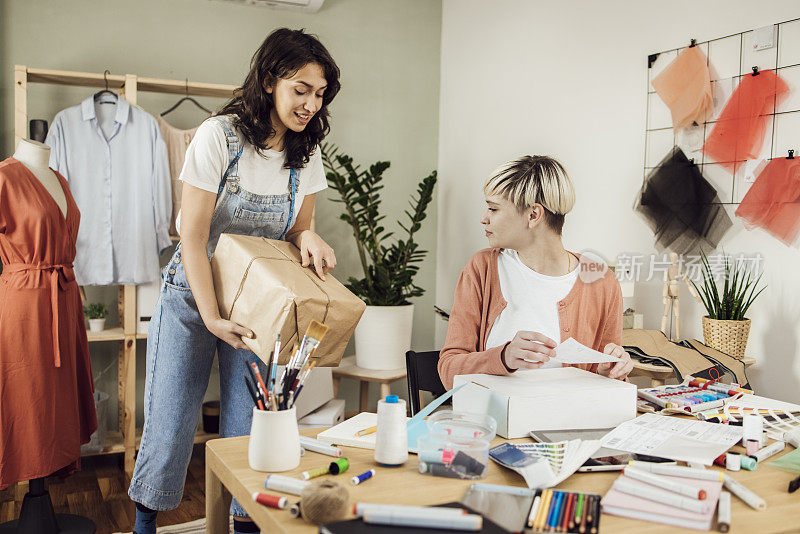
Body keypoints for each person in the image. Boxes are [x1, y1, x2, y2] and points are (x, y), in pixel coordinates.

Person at [128, 28, 340, 534]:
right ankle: (144, 522)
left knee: (251, 424)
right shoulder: (219, 136)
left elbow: (296, 227)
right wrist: (210, 315)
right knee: (172, 418)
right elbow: (192, 234)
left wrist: (309, 237)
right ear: (269, 81)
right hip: (192, 294)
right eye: (300, 89)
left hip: (257, 304)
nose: (310, 103)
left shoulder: (305, 153)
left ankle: (244, 524)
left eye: (320, 93)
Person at [438, 155, 633, 389]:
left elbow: (604, 385)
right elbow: (449, 371)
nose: (484, 218)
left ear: (533, 215)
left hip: (567, 422)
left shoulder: (601, 282)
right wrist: (503, 357)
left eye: (493, 208)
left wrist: (609, 372)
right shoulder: (482, 269)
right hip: (492, 423)